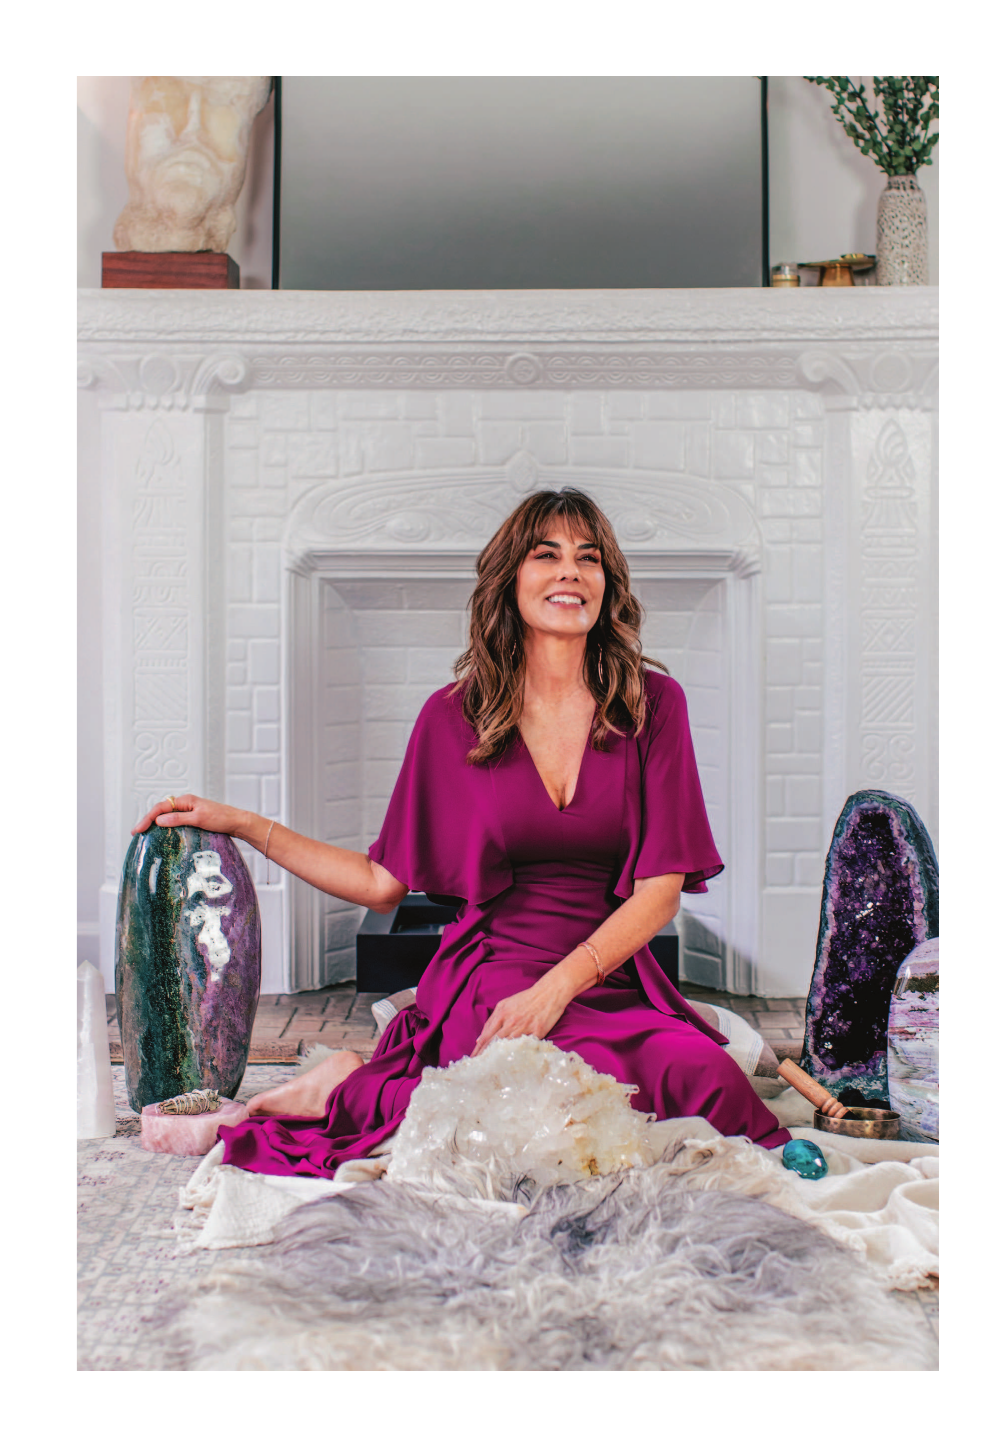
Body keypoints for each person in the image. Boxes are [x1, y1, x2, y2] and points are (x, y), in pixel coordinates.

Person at [134, 489, 790, 1174]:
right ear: (510, 580)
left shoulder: (652, 705)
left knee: (706, 1083)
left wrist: (555, 989)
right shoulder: (453, 717)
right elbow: (381, 884)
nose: (570, 571)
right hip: (494, 966)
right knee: (544, 1091)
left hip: (607, 968)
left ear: (607, 582)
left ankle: (363, 1083)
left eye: (588, 557)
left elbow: (660, 892)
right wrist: (243, 823)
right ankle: (354, 1083)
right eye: (546, 555)